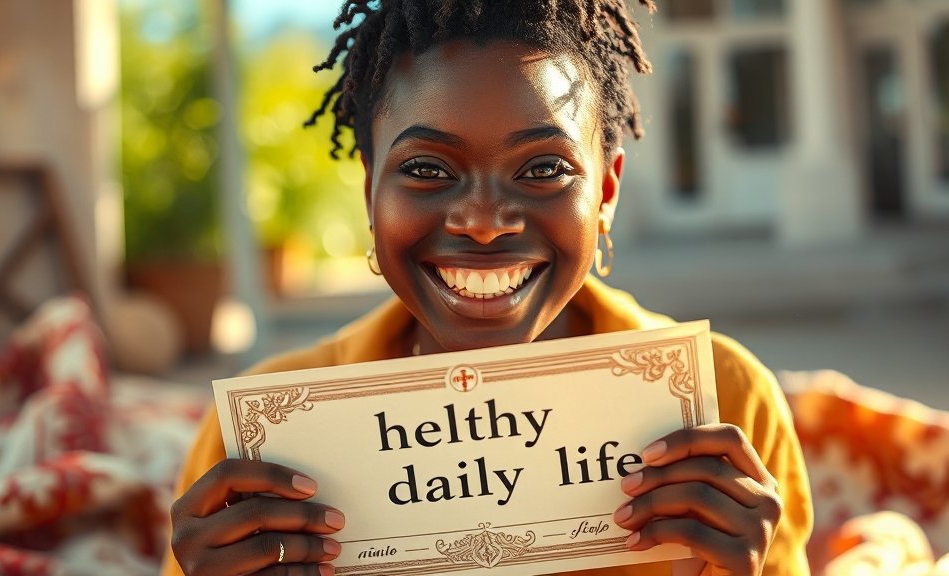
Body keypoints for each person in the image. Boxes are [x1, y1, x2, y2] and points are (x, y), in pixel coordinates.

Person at [163, 1, 813, 575]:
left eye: (543, 169)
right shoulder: (258, 448)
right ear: (370, 192)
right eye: (425, 169)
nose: (481, 222)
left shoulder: (726, 405)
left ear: (606, 193)